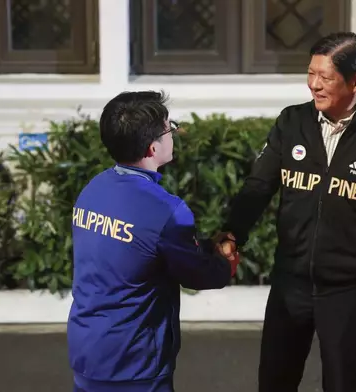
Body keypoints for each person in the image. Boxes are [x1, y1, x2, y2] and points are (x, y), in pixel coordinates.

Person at [216, 32, 356, 391]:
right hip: (291, 285)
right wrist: (230, 234)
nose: (314, 85)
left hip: (350, 292)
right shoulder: (292, 123)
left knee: (341, 383)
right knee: (274, 381)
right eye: (310, 74)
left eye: (326, 78)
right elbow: (257, 189)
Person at [67, 90, 240, 392]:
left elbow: (142, 245)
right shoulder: (166, 209)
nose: (173, 134)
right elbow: (200, 273)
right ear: (151, 148)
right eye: (168, 129)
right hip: (135, 362)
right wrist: (225, 260)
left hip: (88, 351)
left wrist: (204, 246)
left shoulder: (94, 189)